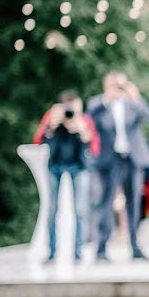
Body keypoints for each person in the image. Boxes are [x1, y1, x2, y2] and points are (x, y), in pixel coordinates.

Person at [87, 72, 149, 261]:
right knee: (105, 203)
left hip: (132, 159)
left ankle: (135, 246)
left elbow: (148, 115)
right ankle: (101, 248)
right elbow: (89, 118)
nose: (119, 88)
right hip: (109, 160)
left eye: (122, 84)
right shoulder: (98, 104)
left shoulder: (131, 104)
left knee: (134, 204)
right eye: (115, 84)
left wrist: (136, 97)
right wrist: (106, 100)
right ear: (106, 85)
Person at [33, 90, 100, 262]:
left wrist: (81, 129)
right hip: (55, 166)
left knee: (80, 210)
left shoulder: (83, 120)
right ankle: (52, 252)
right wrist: (52, 124)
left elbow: (94, 147)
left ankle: (78, 252)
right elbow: (38, 140)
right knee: (52, 209)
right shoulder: (53, 117)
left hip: (79, 166)